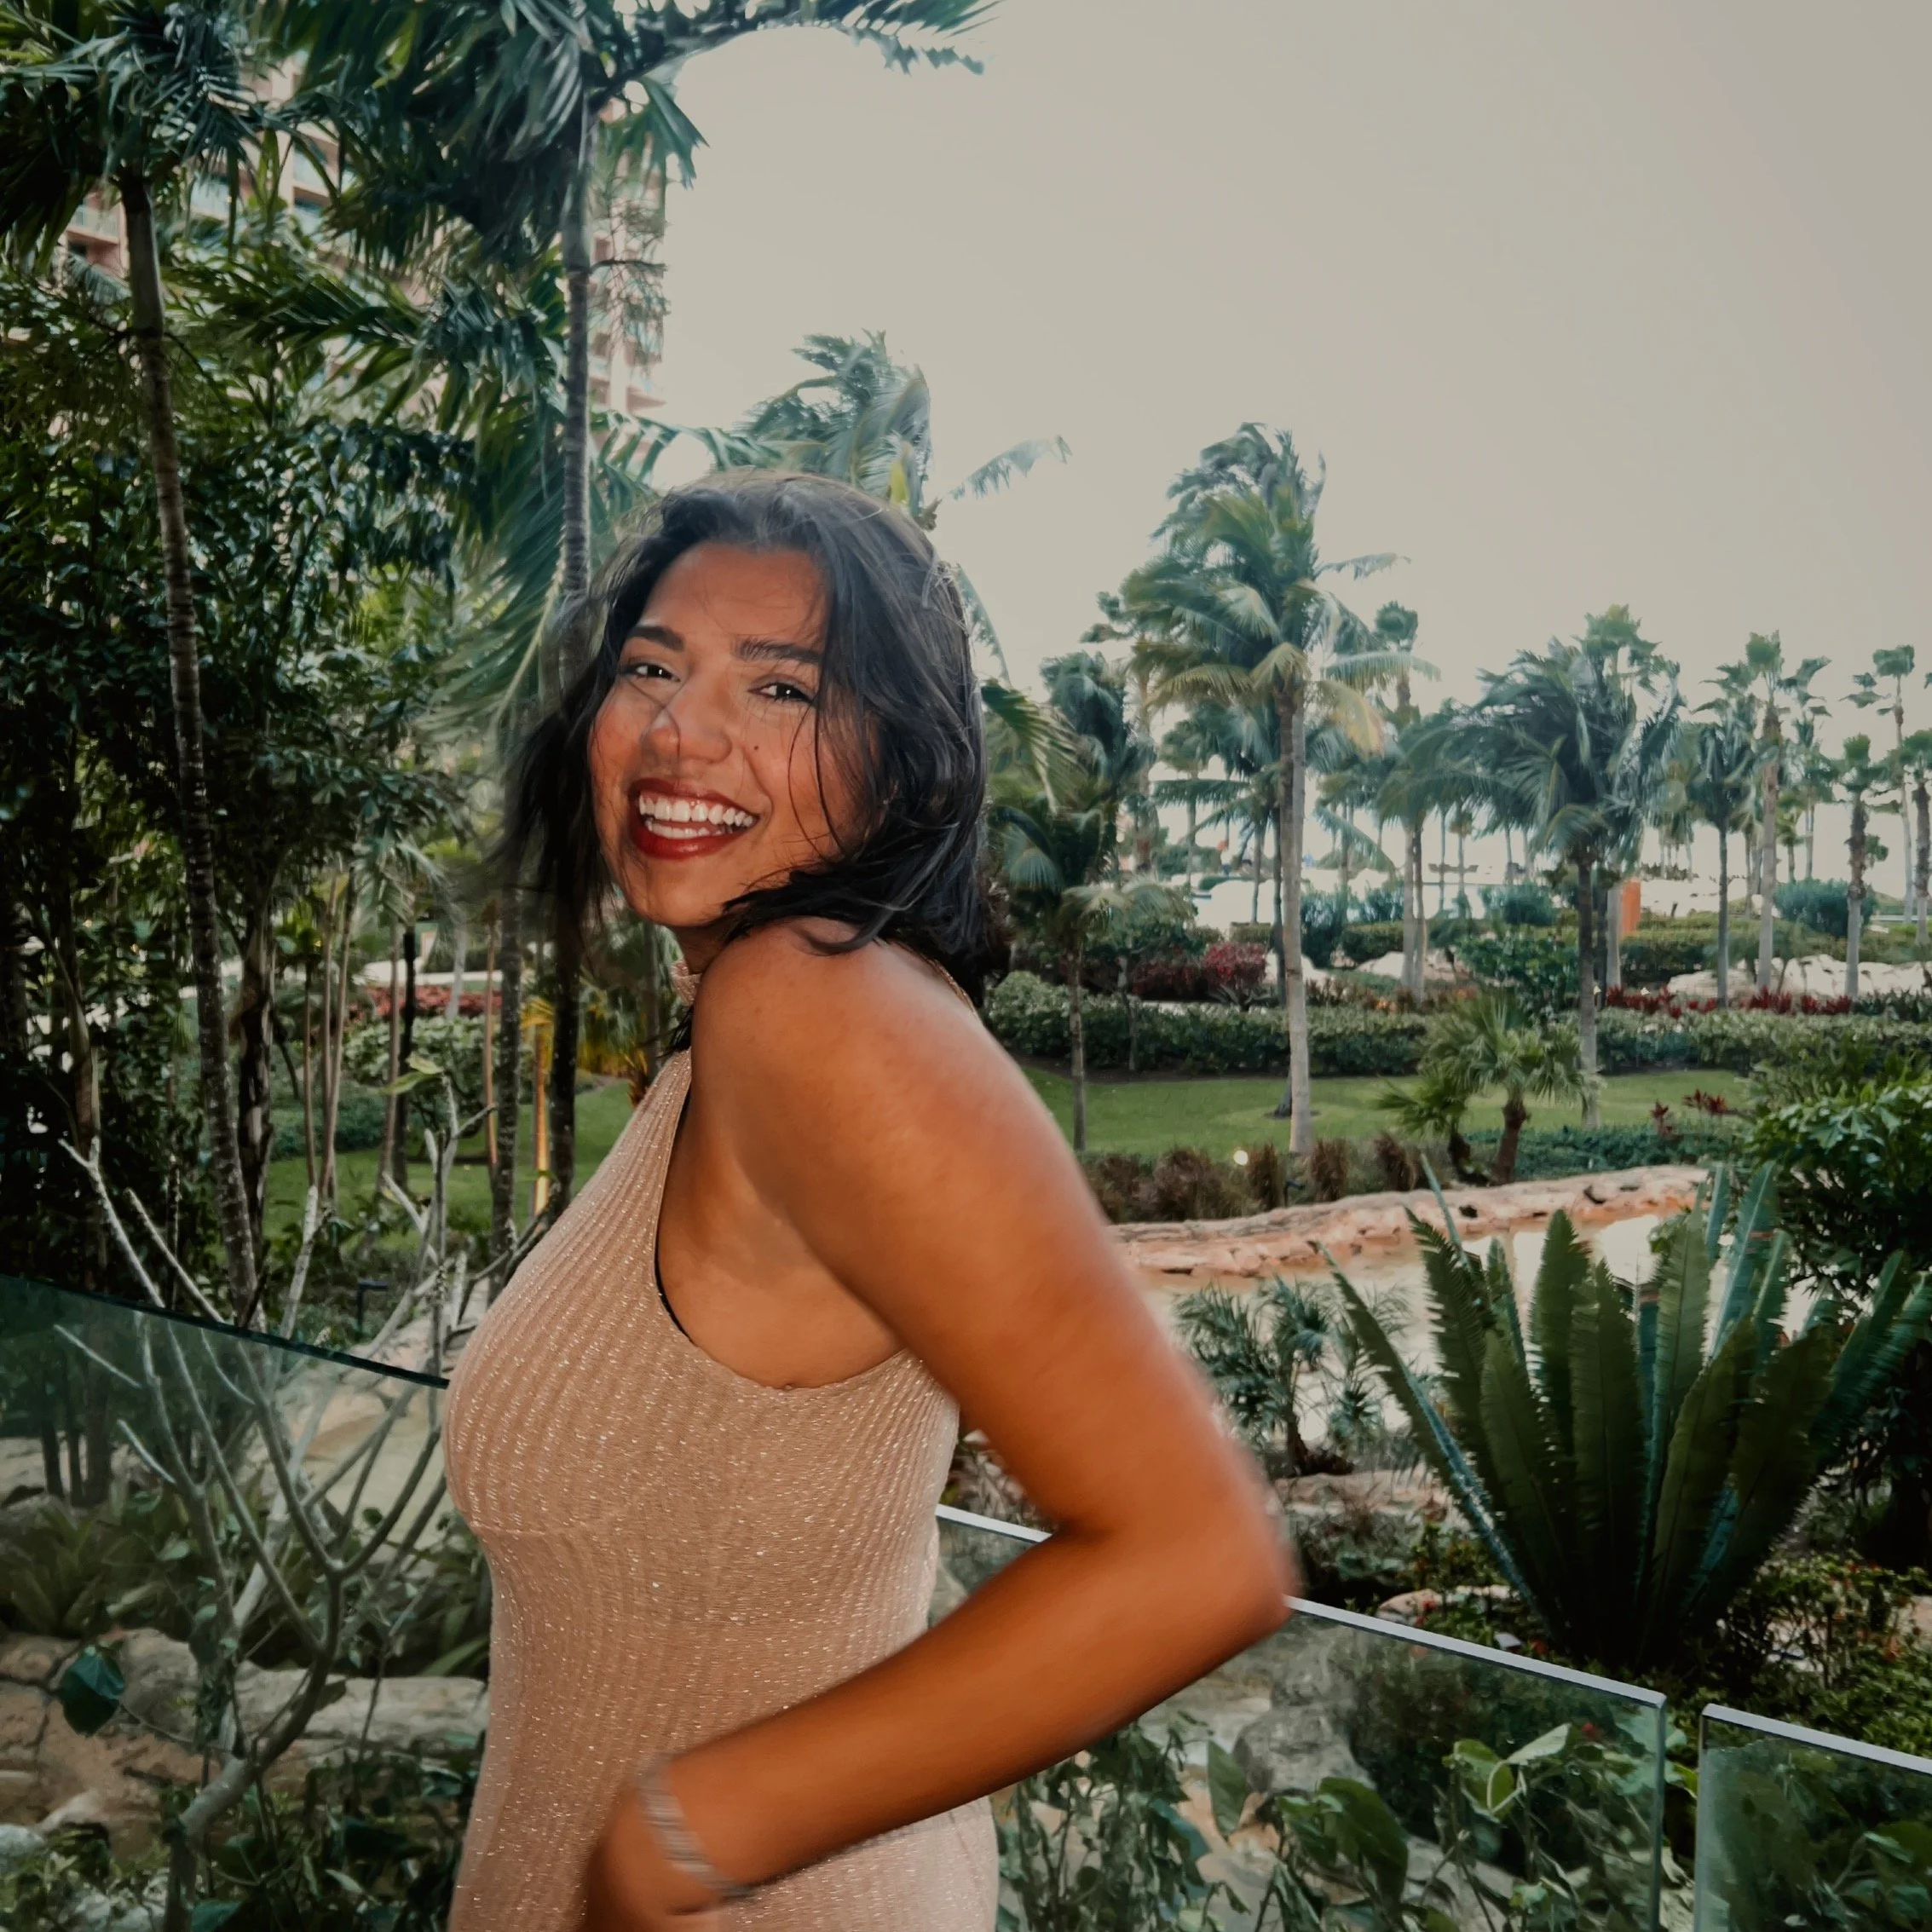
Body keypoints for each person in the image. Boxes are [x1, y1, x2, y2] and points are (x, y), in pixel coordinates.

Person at [443, 471, 1293, 1932]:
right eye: (651, 665)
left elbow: (1195, 1551)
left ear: (903, 768)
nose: (677, 729)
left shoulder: (810, 1008)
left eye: (780, 688)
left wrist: (681, 1836)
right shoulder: (743, 1028)